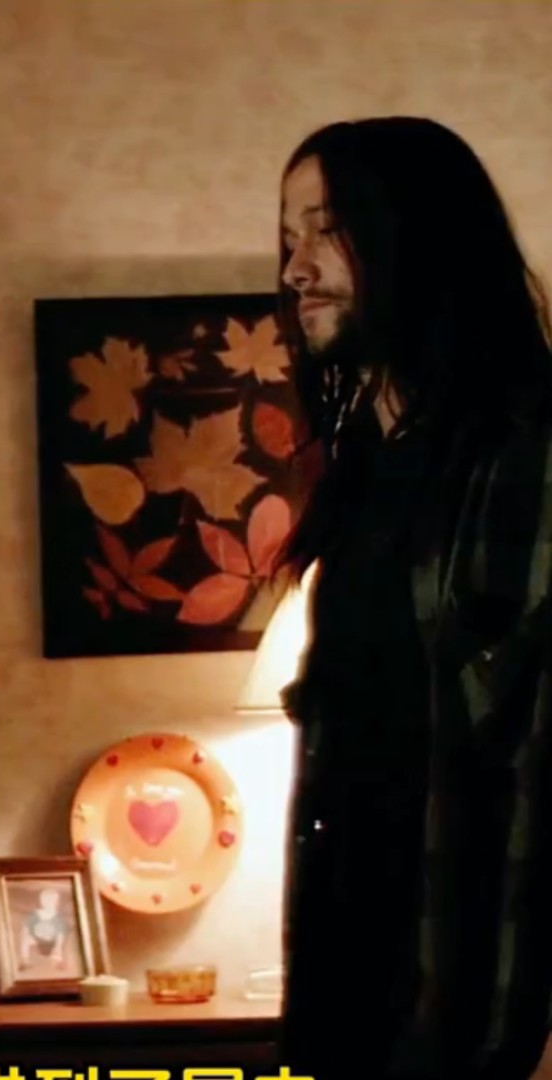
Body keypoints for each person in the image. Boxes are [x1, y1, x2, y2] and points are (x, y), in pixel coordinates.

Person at [275, 117, 552, 1080]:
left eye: (328, 229)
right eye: (289, 238)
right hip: (353, 1000)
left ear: (415, 237)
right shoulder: (364, 466)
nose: (297, 269)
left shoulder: (528, 452)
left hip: (478, 1018)